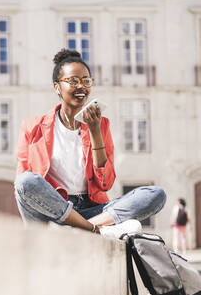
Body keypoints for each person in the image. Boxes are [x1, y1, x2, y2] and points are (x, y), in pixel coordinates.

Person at [14, 49, 167, 238]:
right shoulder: (32, 127)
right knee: (25, 181)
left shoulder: (101, 125)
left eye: (86, 81)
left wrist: (95, 132)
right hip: (50, 212)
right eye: (73, 81)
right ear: (57, 87)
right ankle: (89, 229)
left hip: (91, 210)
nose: (81, 86)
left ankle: (76, 229)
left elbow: (106, 183)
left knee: (155, 195)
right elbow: (24, 187)